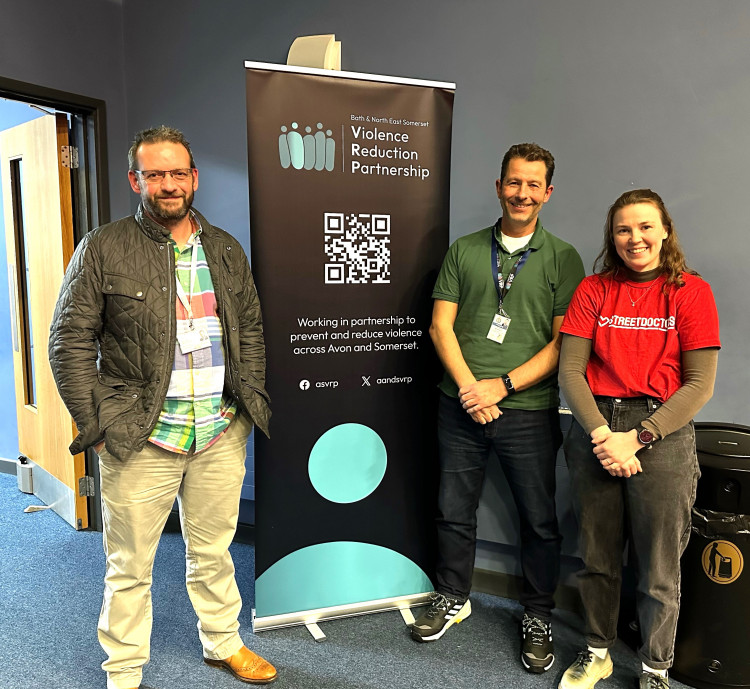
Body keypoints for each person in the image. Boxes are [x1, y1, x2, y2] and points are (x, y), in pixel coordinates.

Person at [48, 126, 277, 689]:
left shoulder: (224, 248)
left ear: (194, 178)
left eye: (178, 173)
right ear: (136, 181)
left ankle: (223, 643)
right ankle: (123, 669)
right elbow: (68, 342)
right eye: (155, 174)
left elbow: (248, 329)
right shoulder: (102, 248)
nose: (168, 185)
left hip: (218, 430)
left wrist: (245, 408)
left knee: (214, 551)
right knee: (129, 566)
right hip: (139, 434)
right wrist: (100, 425)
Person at [411, 143, 585, 674]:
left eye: (533, 185)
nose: (522, 193)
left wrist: (501, 387)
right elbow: (441, 325)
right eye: (514, 182)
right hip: (458, 405)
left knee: (539, 521)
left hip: (529, 410)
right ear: (498, 186)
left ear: (548, 193)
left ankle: (537, 615)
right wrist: (470, 388)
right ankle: (452, 595)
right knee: (452, 509)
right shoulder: (464, 250)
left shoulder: (563, 258)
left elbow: (563, 346)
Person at [557, 189, 720, 689]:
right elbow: (570, 371)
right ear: (613, 236)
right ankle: (597, 651)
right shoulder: (593, 289)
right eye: (624, 229)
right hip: (595, 427)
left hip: (662, 430)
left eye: (646, 227)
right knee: (597, 557)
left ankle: (654, 667)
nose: (635, 238)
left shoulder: (691, 291)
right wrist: (606, 435)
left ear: (665, 230)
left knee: (657, 566)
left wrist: (639, 437)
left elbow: (700, 385)